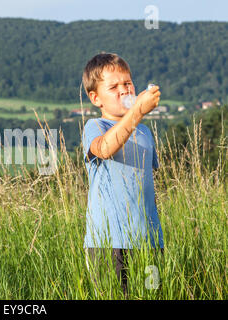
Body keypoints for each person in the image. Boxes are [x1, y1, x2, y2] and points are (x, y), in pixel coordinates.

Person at [81, 52, 164, 297]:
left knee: (153, 295)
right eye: (114, 86)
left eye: (128, 83)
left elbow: (147, 184)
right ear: (96, 98)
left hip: (149, 242)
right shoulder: (95, 127)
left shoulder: (145, 133)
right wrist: (137, 111)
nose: (124, 90)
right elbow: (105, 148)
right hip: (107, 243)